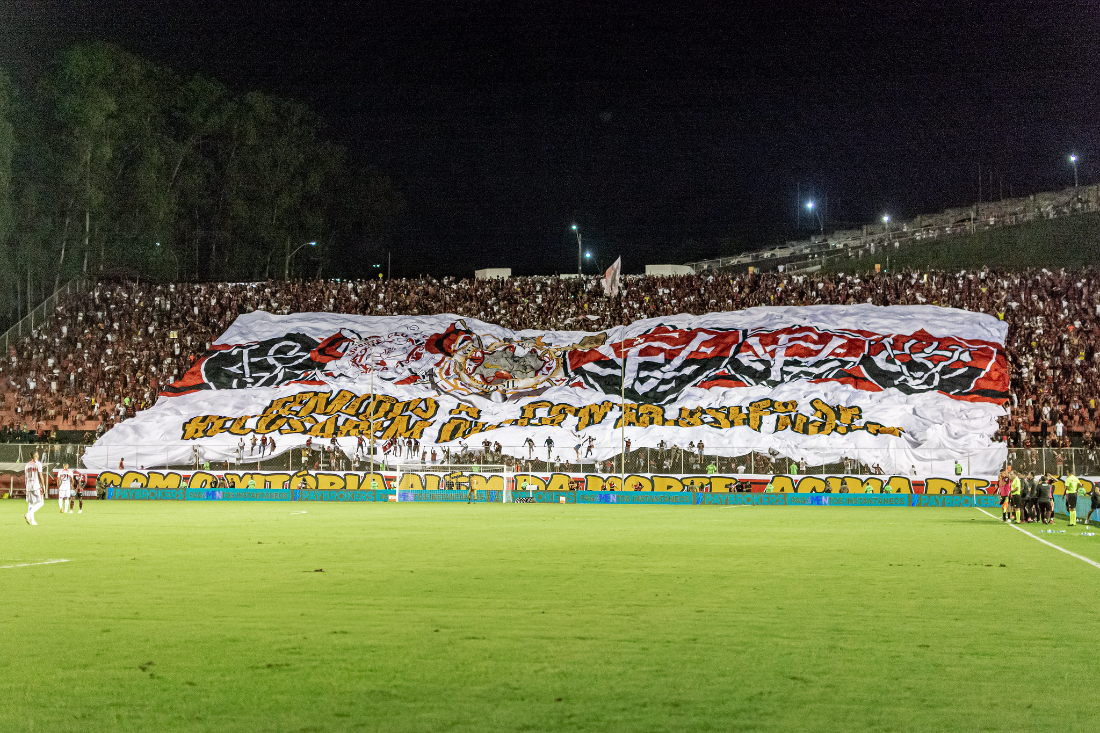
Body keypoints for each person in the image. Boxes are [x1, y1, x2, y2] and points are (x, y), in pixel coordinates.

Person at [24, 451, 45, 525]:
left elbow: (26, 477)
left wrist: (26, 486)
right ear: (36, 455)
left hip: (28, 486)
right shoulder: (38, 464)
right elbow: (40, 475)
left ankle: (32, 521)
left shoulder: (27, 465)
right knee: (41, 502)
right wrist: (43, 486)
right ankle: (29, 514)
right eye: (37, 454)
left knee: (31, 503)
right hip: (36, 486)